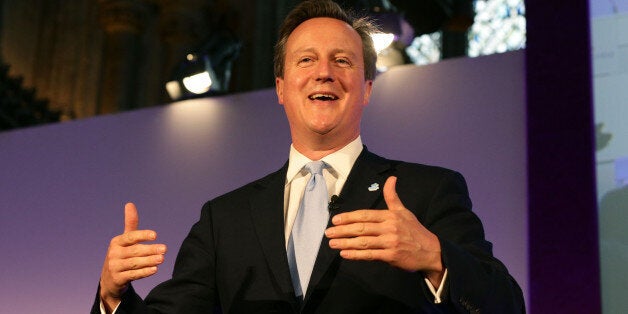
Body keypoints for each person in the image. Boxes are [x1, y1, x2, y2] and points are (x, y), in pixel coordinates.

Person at [93, 1, 525, 313]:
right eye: (306, 60)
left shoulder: (426, 192)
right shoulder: (225, 219)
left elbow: (506, 305)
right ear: (281, 88)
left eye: (343, 60)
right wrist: (112, 295)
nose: (324, 72)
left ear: (367, 88)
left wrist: (435, 256)